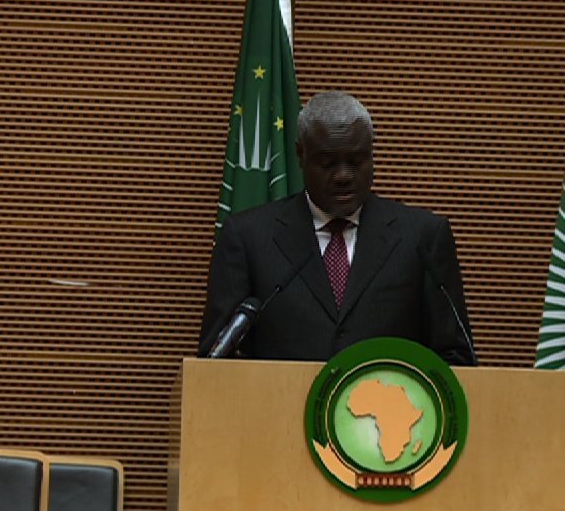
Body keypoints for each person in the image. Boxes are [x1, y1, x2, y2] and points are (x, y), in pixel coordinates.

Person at [198, 91, 475, 365]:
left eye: (356, 161)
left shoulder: (422, 238)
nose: (343, 176)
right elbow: (216, 362)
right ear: (300, 155)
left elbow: (455, 357)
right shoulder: (249, 238)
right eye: (327, 163)